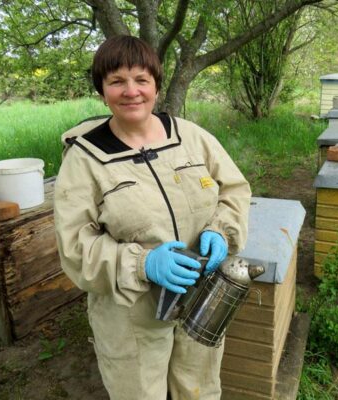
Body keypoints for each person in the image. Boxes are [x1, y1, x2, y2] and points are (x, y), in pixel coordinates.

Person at [53, 35, 251, 400]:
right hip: (132, 317)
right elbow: (75, 246)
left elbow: (234, 191)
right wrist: (143, 264)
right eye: (117, 81)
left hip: (203, 299)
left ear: (156, 86)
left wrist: (222, 231)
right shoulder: (84, 160)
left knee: (200, 391)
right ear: (102, 90)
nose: (131, 92)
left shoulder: (191, 137)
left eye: (141, 79)